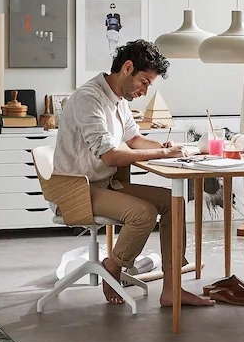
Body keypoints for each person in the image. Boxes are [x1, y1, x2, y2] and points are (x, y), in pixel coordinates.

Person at [53, 39, 213, 308]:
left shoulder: (118, 100)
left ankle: (172, 289)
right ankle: (113, 265)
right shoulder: (88, 98)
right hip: (76, 190)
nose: (145, 90)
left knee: (173, 202)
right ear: (127, 68)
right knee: (143, 213)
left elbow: (135, 139)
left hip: (104, 184)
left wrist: (167, 148)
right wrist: (161, 154)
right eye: (144, 82)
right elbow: (110, 155)